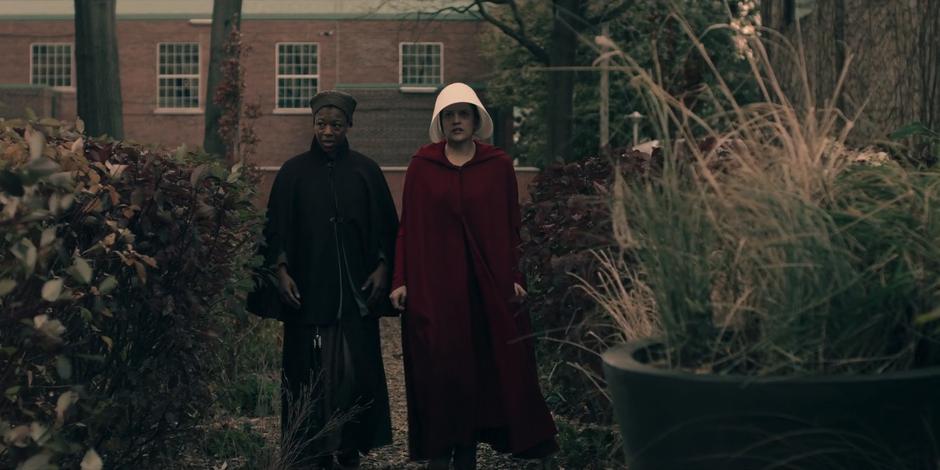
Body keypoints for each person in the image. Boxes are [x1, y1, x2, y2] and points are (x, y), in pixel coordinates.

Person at [389, 82, 558, 470]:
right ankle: (439, 452)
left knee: (489, 366)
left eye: (464, 114)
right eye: (449, 115)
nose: (457, 121)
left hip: (487, 285)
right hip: (436, 286)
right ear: (440, 121)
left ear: (476, 119)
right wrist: (401, 279)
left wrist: (516, 275)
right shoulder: (422, 166)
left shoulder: (497, 165)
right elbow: (407, 227)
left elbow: (512, 225)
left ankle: (470, 452)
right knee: (439, 367)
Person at [247, 90, 398, 470]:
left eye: (336, 124)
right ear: (313, 125)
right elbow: (276, 230)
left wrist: (383, 267)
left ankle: (349, 447)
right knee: (307, 372)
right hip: (308, 294)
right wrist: (280, 272)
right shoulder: (292, 172)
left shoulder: (367, 171)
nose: (328, 131)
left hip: (355, 296)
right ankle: (310, 451)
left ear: (349, 126)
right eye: (321, 124)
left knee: (353, 373)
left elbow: (387, 229)